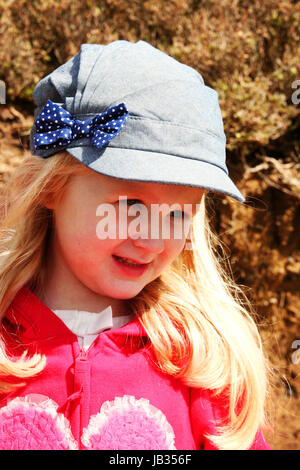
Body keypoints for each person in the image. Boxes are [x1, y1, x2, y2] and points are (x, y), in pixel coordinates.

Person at [0, 40, 272, 450]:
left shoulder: (202, 365)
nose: (152, 238)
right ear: (52, 187)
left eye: (179, 213)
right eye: (130, 205)